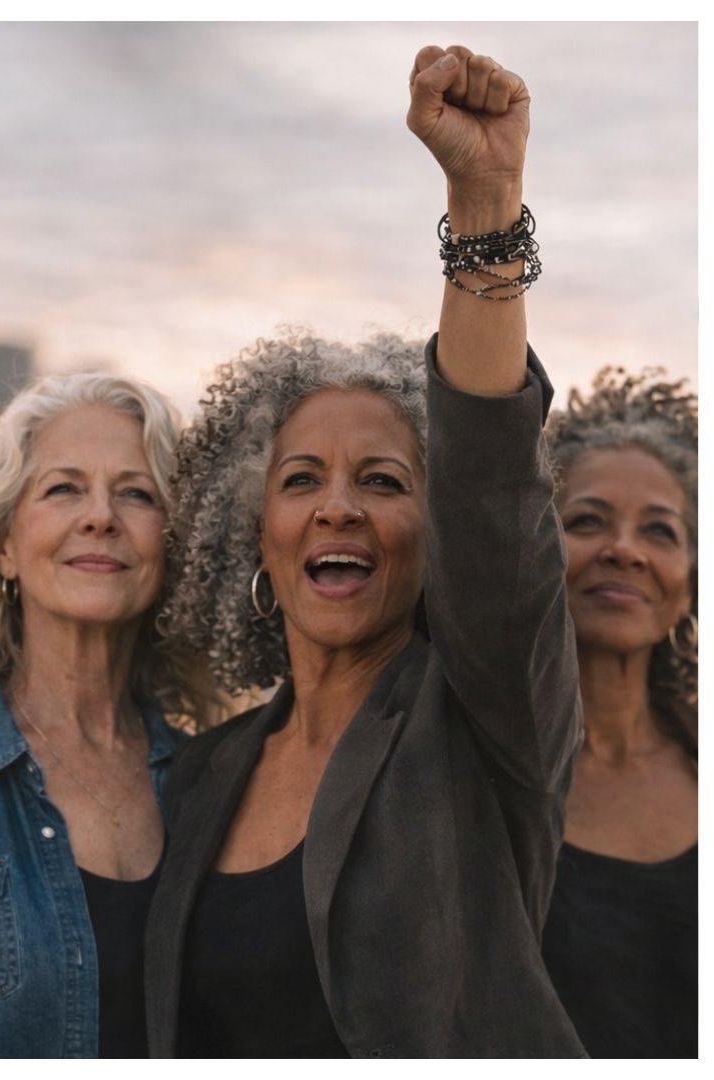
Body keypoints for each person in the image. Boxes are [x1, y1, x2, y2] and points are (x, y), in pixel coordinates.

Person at [144, 45, 586, 1058]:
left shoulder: (483, 720)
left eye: (383, 482)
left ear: (437, 537)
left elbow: (488, 477)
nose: (336, 508)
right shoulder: (203, 774)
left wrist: (485, 206)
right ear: (251, 529)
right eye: (301, 480)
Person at [0, 373, 211, 1058]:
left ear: (171, 549)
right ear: (4, 546)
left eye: (137, 494)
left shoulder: (219, 784)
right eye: (63, 488)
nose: (100, 517)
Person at [541, 367, 698, 1058]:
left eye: (659, 532)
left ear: (690, 582)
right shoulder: (475, 768)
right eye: (586, 521)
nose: (624, 551)